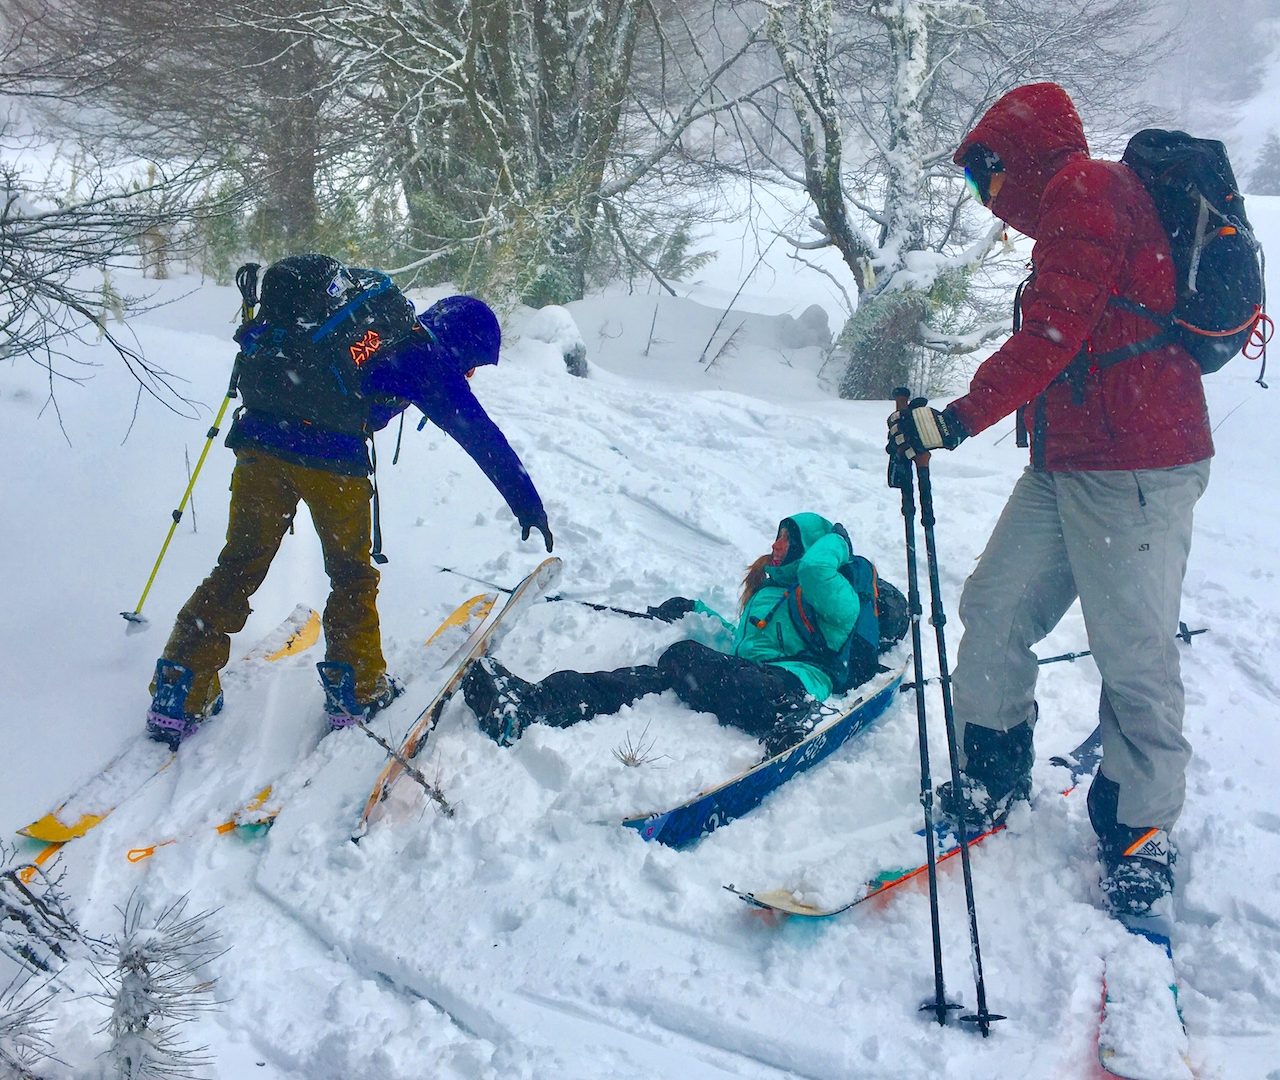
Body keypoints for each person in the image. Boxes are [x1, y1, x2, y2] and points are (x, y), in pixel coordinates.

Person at [887, 83, 1212, 918]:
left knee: (1133, 651)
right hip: (1069, 459)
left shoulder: (1088, 193)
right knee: (994, 603)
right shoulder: (1074, 207)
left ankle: (1141, 827)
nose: (982, 199)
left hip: (1137, 462)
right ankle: (992, 767)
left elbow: (1054, 335)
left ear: (1014, 160)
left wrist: (953, 422)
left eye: (979, 178)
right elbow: (1066, 337)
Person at [146, 253, 553, 749]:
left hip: (258, 442)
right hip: (331, 461)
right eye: (471, 364)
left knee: (237, 565)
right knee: (351, 575)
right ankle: (356, 689)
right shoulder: (420, 355)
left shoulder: (364, 326)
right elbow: (477, 431)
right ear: (463, 344)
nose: (467, 375)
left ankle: (180, 687)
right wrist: (526, 501)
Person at [463, 513, 902, 756]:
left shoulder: (834, 594)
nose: (776, 545)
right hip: (747, 680)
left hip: (790, 687)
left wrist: (839, 538)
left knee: (684, 659)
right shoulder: (770, 594)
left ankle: (792, 714)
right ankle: (529, 705)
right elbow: (743, 644)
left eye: (786, 539)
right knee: (641, 681)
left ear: (810, 545)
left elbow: (814, 568)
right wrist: (695, 611)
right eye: (777, 536)